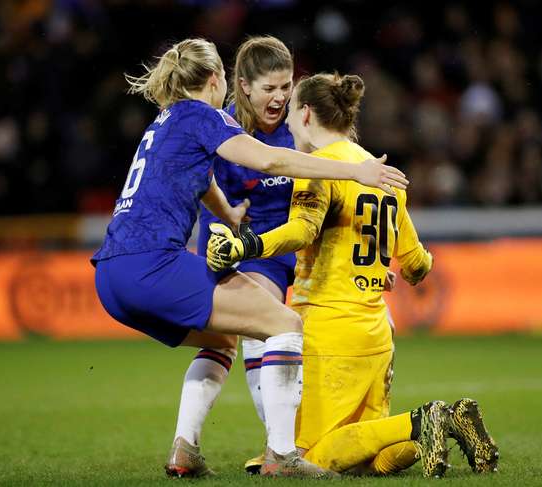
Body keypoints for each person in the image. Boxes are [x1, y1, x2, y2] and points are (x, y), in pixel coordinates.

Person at [90, 39, 408, 479]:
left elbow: (199, 182)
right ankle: (283, 454)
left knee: (220, 339)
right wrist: (358, 170)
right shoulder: (205, 116)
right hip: (153, 264)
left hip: (110, 275)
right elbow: (271, 159)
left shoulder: (165, 122)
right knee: (282, 323)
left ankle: (186, 449)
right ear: (221, 79)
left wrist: (230, 214)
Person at [206, 72, 499, 477]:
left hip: (329, 333)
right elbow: (416, 263)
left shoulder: (320, 169)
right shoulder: (381, 174)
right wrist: (382, 267)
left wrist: (247, 245)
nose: (288, 125)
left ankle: (429, 418)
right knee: (367, 459)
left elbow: (302, 231)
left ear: (306, 114)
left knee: (307, 459)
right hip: (377, 335)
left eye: (291, 112)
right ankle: (437, 428)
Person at [183, 36, 297, 474]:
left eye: (286, 86)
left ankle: (184, 444)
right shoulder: (221, 129)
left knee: (229, 342)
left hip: (278, 253)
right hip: (227, 250)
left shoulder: (298, 131)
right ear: (244, 86)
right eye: (270, 88)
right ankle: (282, 448)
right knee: (253, 332)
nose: (280, 97)